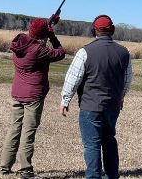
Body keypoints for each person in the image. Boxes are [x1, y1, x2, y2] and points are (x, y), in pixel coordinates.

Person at [59, 15, 132, 179]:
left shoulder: (84, 52)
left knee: (92, 145)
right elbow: (127, 81)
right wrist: (120, 97)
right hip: (112, 106)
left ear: (94, 31)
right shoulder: (124, 52)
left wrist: (65, 100)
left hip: (90, 107)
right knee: (109, 141)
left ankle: (94, 177)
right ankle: (112, 175)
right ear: (112, 30)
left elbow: (72, 79)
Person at [0, 18, 66, 179]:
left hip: (17, 93)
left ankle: (5, 167)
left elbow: (35, 37)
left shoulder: (19, 43)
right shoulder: (38, 50)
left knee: (14, 129)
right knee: (28, 133)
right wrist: (52, 36)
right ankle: (26, 171)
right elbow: (60, 52)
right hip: (33, 96)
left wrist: (46, 26)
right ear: (43, 35)